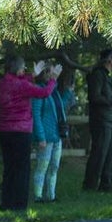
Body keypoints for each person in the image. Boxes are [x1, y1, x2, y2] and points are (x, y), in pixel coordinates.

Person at [0, 56, 58, 211]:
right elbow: (44, 92)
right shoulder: (22, 85)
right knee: (22, 169)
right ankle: (19, 205)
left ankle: (6, 203)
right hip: (21, 131)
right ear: (18, 70)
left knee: (9, 168)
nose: (25, 70)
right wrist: (53, 80)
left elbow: (19, 81)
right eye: (24, 68)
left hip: (5, 130)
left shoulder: (3, 82)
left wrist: (33, 75)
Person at [31, 68, 76, 202]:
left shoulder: (53, 92)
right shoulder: (38, 91)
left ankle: (51, 196)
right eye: (49, 72)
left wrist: (68, 92)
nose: (52, 74)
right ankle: (38, 196)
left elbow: (59, 106)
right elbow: (36, 116)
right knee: (42, 167)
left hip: (57, 136)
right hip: (46, 137)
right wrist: (41, 137)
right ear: (43, 74)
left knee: (54, 167)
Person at [83, 48, 112, 193]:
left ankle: (107, 185)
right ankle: (90, 185)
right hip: (100, 120)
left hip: (109, 120)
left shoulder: (107, 77)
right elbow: (94, 97)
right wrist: (111, 100)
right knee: (99, 153)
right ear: (109, 60)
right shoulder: (97, 75)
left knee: (111, 154)